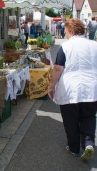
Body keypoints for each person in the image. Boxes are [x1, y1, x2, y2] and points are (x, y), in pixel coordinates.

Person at [48, 18, 97, 160]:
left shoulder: (66, 46)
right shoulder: (94, 45)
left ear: (70, 30)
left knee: (71, 119)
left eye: (65, 31)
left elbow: (57, 69)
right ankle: (88, 143)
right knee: (88, 116)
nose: (65, 34)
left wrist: (51, 87)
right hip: (91, 89)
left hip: (70, 89)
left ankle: (74, 148)